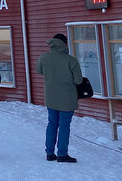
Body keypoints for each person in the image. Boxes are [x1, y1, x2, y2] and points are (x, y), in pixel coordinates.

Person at [36, 33, 83, 163]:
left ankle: (49, 153)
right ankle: (62, 154)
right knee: (64, 126)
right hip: (67, 99)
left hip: (51, 98)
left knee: (52, 124)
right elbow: (78, 81)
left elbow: (39, 71)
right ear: (65, 44)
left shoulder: (44, 57)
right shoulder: (71, 60)